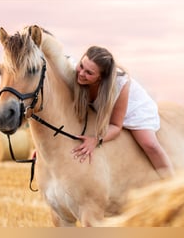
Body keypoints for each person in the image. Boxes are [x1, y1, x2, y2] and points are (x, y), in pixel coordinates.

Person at [71, 46, 175, 179]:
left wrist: (95, 140)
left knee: (149, 144)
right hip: (101, 109)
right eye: (81, 66)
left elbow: (115, 126)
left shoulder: (120, 84)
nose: (81, 73)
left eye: (89, 73)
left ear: (100, 78)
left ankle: (172, 181)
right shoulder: (74, 71)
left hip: (133, 108)